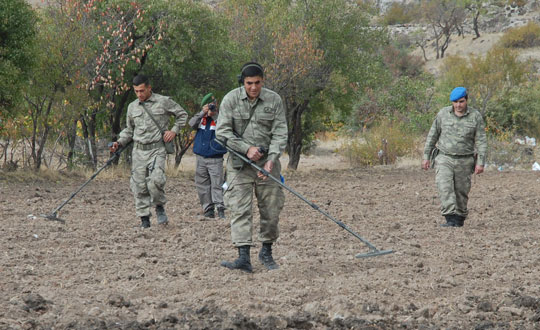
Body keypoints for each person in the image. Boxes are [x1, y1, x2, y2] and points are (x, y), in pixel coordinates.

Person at [215, 62, 288, 272]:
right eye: (249, 83)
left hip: (268, 166)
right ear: (242, 82)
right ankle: (243, 257)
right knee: (239, 210)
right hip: (240, 165)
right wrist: (246, 149)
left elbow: (280, 132)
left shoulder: (274, 100)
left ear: (263, 81)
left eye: (257, 83)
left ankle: (266, 252)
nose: (253, 87)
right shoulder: (230, 99)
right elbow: (222, 133)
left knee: (272, 210)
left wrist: (271, 158)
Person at [110, 74, 188, 228]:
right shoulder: (132, 107)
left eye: (142, 91)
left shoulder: (163, 101)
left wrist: (174, 131)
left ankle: (159, 206)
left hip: (157, 149)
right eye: (136, 91)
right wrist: (118, 142)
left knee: (156, 181)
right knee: (139, 186)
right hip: (139, 151)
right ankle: (144, 219)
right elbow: (129, 130)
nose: (139, 94)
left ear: (149, 88)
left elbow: (182, 115)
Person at [422, 87, 487, 227]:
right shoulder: (443, 114)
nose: (458, 105)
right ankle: (449, 217)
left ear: (466, 100)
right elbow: (432, 136)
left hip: (465, 159)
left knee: (461, 191)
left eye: (461, 102)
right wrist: (426, 156)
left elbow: (481, 141)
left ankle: (459, 217)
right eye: (455, 102)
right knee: (444, 186)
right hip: (444, 157)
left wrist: (480, 162)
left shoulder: (475, 117)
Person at [188, 93, 227, 220]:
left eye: (212, 105)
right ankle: (208, 209)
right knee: (202, 184)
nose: (210, 108)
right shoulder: (201, 117)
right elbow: (191, 124)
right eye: (208, 106)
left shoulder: (221, 117)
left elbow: (224, 128)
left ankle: (220, 209)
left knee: (217, 184)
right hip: (200, 157)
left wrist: (214, 115)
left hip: (215, 157)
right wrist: (202, 113)